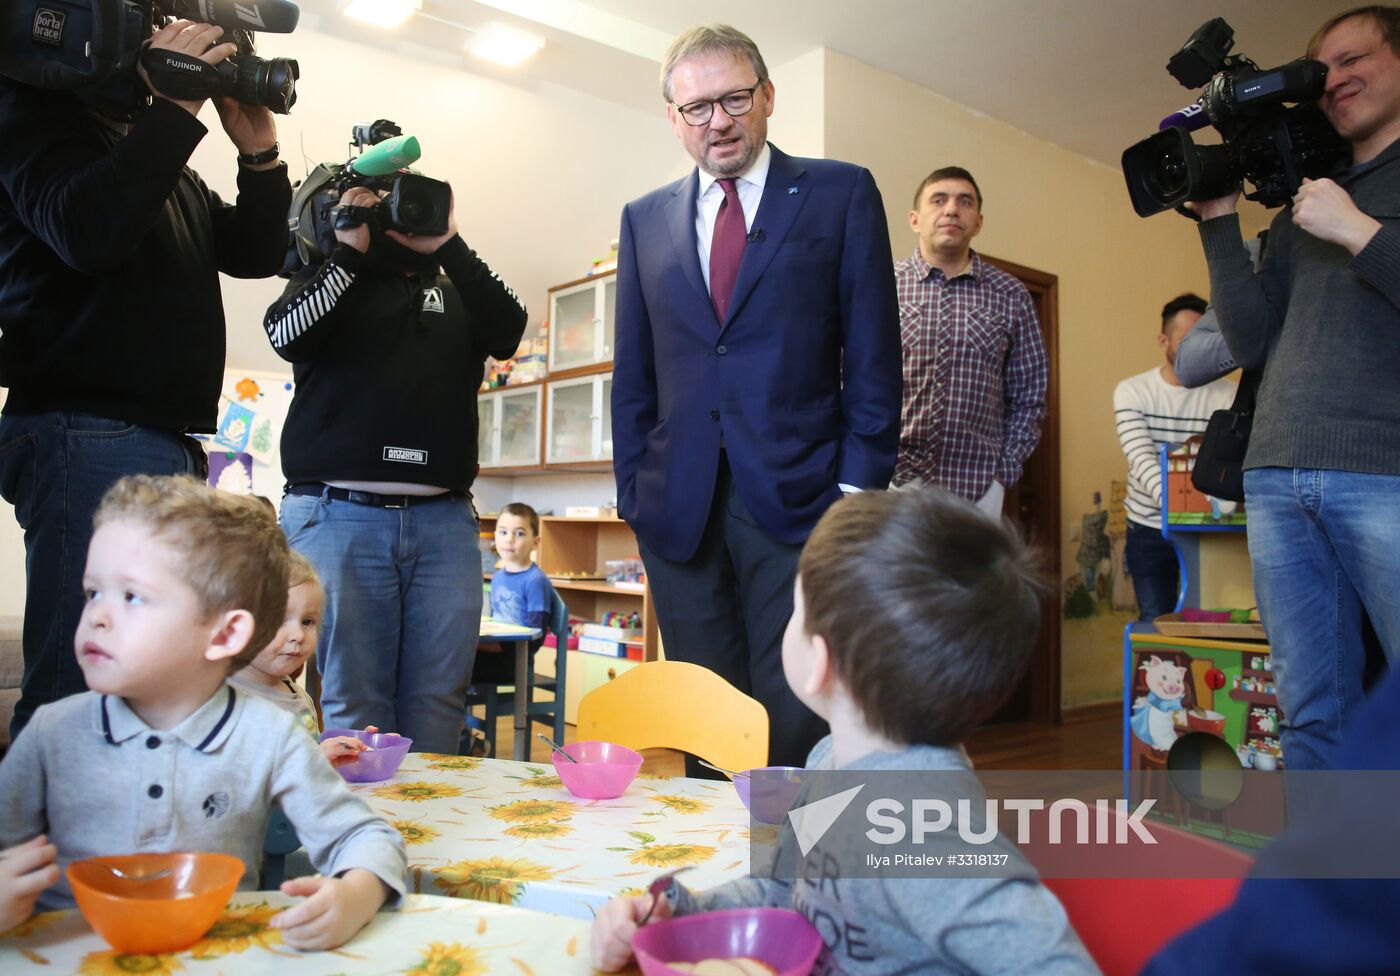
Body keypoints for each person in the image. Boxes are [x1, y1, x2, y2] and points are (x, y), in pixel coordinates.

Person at [589, 489, 1095, 974]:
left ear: (820, 662)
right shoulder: (829, 760)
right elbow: (781, 892)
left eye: (795, 610)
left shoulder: (924, 839)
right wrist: (679, 910)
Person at [611, 23, 902, 772]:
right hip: (678, 506)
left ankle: (793, 877)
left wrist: (856, 486)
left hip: (804, 495)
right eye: (698, 107)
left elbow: (873, 350)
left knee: (796, 705)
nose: (719, 120)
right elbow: (635, 373)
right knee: (707, 713)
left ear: (767, 95)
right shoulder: (644, 220)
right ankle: (725, 879)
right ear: (674, 119)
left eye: (735, 97)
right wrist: (632, 492)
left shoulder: (839, 192)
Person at [0, 19, 292, 742]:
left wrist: (258, 153)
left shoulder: (155, 157)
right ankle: (39, 857)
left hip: (157, 440)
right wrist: (172, 111)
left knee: (149, 687)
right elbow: (88, 230)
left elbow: (256, 251)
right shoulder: (33, 114)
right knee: (83, 690)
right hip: (84, 428)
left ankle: (120, 858)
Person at [0, 476, 406, 949]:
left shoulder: (269, 735)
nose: (96, 616)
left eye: (131, 596)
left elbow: (366, 835)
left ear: (225, 634)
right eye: (94, 593)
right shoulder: (51, 734)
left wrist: (356, 894)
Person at [1189, 4, 1400, 770]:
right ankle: (1327, 887)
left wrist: (1360, 232)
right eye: (1323, 70)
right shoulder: (1301, 205)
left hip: (1386, 472)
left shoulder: (1336, 208)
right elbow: (1250, 341)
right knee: (1312, 715)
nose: (1334, 81)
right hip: (1276, 476)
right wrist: (1217, 221)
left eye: (1354, 60)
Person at [265, 180, 527, 755]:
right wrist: (349, 250)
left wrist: (449, 244)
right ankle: (359, 843)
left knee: (440, 697)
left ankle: (429, 842)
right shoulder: (330, 276)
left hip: (443, 520)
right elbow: (286, 334)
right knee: (353, 699)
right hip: (337, 514)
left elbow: (510, 329)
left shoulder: (456, 285)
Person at [893, 167, 1047, 518]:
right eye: (938, 200)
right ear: (915, 219)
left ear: (977, 222)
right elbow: (844, 376)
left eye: (965, 202)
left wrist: (1002, 473)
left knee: (971, 577)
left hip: (978, 488)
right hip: (892, 481)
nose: (951, 210)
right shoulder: (882, 285)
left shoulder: (1010, 295)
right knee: (890, 575)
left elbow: (1030, 397)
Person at [1113, 294, 1237, 621]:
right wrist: (1175, 504)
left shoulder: (1227, 394)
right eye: (1186, 340)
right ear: (1163, 340)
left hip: (1207, 527)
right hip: (1148, 526)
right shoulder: (1132, 391)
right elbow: (1141, 459)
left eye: (1204, 340)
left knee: (1208, 617)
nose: (1196, 349)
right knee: (1155, 618)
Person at [227, 549, 371, 766]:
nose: (298, 635)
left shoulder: (296, 695)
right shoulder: (228, 702)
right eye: (279, 619)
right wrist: (313, 760)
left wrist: (343, 749)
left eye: (307, 621)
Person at [472, 502, 555, 684]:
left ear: (536, 541)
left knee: (455, 668)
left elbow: (536, 636)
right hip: (495, 654)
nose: (509, 539)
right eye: (503, 532)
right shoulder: (498, 577)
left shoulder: (535, 581)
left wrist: (494, 646)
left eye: (519, 533)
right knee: (450, 660)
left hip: (516, 663)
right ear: (495, 536)